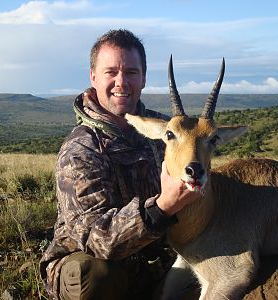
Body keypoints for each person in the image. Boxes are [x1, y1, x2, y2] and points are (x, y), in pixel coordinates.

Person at [40, 29, 199, 300]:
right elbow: (96, 241)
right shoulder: (80, 149)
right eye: (110, 72)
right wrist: (163, 207)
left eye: (131, 73)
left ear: (144, 78)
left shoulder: (168, 130)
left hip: (155, 259)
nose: (121, 82)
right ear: (93, 77)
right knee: (94, 274)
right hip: (98, 261)